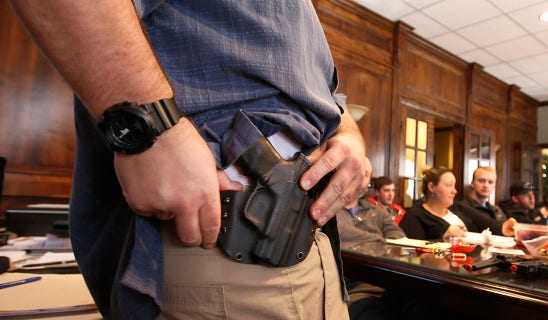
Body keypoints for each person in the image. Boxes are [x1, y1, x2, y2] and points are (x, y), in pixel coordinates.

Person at [8, 1, 369, 318]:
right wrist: (153, 129)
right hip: (221, 231)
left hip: (304, 240)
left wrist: (346, 129)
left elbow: (314, 86)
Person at [399, 166, 516, 241]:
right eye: (449, 186)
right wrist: (443, 239)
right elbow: (413, 253)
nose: (454, 191)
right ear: (431, 187)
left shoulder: (458, 207)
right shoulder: (414, 216)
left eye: (454, 186)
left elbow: (487, 224)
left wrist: (504, 228)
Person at [449, 166, 508, 234]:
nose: (486, 185)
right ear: (472, 183)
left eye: (490, 182)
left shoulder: (497, 210)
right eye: (481, 181)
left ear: (494, 185)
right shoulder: (461, 209)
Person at [337, 195, 406, 249]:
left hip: (377, 261)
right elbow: (344, 233)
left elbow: (398, 234)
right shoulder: (332, 212)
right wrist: (380, 240)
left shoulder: (379, 211)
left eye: (366, 176)